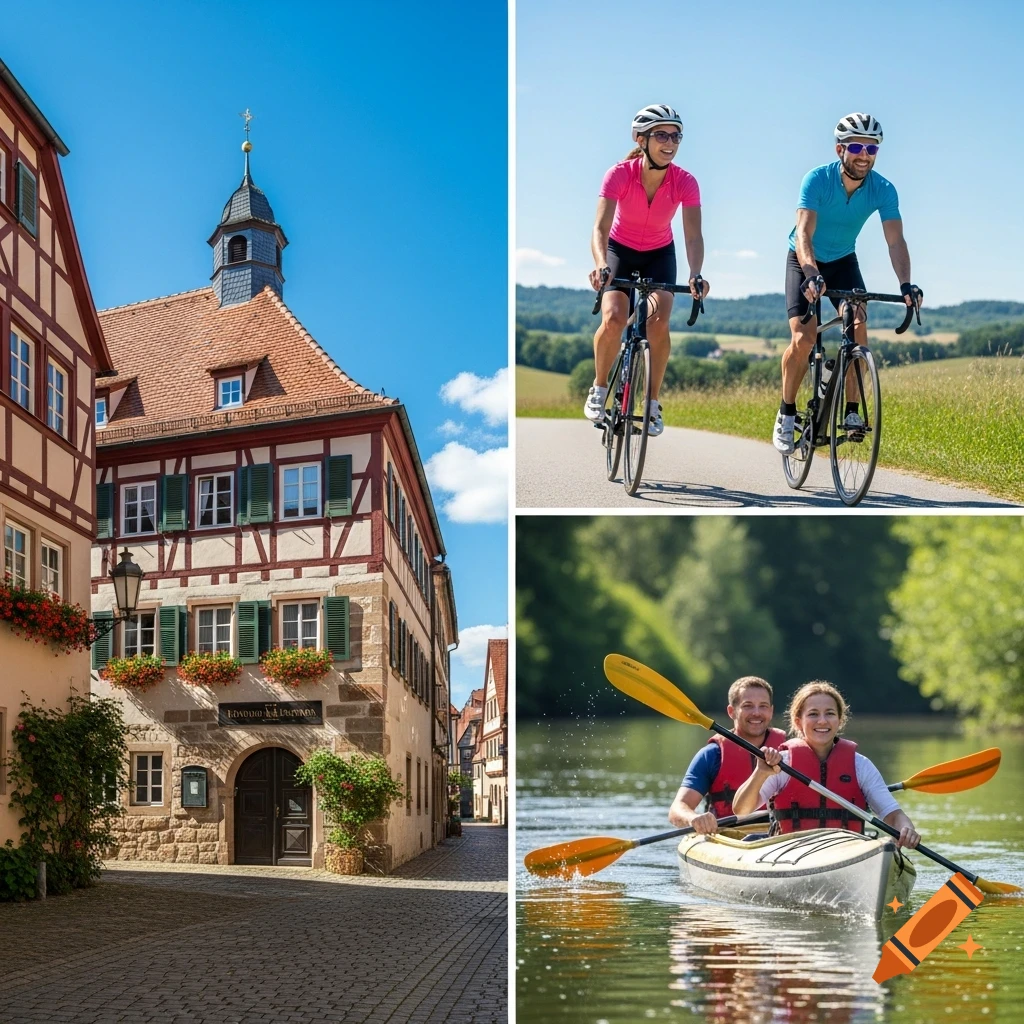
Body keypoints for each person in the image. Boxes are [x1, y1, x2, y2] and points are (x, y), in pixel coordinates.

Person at [772, 112, 924, 455]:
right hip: (804, 258)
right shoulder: (817, 180)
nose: (864, 154)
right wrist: (811, 273)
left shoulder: (883, 190)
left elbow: (895, 241)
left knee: (858, 325)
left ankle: (852, 411)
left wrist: (906, 284)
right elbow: (804, 233)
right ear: (840, 149)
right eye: (856, 146)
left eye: (872, 148)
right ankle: (787, 412)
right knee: (804, 337)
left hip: (842, 260)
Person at [585, 103, 709, 438]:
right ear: (641, 139)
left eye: (676, 135)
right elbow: (600, 228)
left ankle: (652, 402)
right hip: (619, 250)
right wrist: (600, 264)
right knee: (613, 318)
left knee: (659, 319)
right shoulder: (619, 174)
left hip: (659, 253)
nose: (670, 142)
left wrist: (695, 272)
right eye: (661, 135)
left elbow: (693, 236)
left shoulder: (685, 181)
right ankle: (598, 387)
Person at [732, 680, 921, 849]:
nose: (822, 720)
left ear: (839, 720)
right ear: (798, 722)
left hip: (846, 854)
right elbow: (741, 810)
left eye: (829, 713)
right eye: (813, 714)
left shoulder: (860, 765)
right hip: (789, 853)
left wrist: (906, 829)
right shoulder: (783, 763)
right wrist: (760, 773)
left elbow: (893, 815)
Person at [667, 676, 786, 835]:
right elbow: (677, 809)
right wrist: (693, 818)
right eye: (748, 706)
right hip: (727, 837)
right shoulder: (712, 755)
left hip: (781, 838)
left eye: (763, 706)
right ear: (732, 711)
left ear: (771, 711)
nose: (756, 713)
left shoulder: (788, 750)